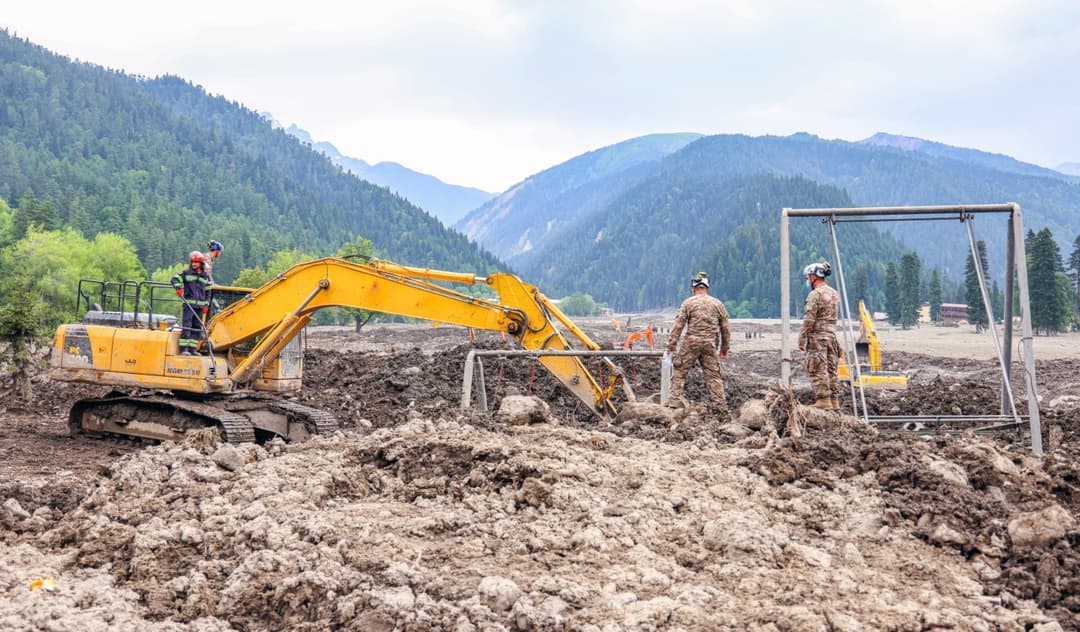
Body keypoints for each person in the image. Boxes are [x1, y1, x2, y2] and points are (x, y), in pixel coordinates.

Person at [665, 272, 731, 416]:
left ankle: (673, 404)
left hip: (691, 343)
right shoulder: (717, 304)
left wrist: (671, 346)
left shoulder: (688, 303)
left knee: (679, 372)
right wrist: (724, 348)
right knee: (713, 376)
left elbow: (678, 325)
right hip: (709, 344)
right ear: (707, 287)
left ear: (693, 288)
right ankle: (720, 408)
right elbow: (725, 328)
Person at [798, 261, 842, 410]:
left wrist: (802, 338)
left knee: (818, 368)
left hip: (818, 337)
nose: (807, 280)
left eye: (807, 277)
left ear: (813, 277)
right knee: (831, 369)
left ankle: (823, 400)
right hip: (832, 337)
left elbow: (809, 318)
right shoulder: (834, 293)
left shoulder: (815, 294)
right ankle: (834, 400)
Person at [171, 251, 211, 355]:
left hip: (199, 307)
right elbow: (174, 279)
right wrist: (178, 288)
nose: (193, 264)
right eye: (192, 262)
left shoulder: (205, 277)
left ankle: (192, 349)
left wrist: (206, 304)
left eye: (196, 262)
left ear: (201, 264)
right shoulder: (186, 273)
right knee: (187, 326)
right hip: (189, 305)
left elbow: (208, 292)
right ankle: (184, 349)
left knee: (197, 327)